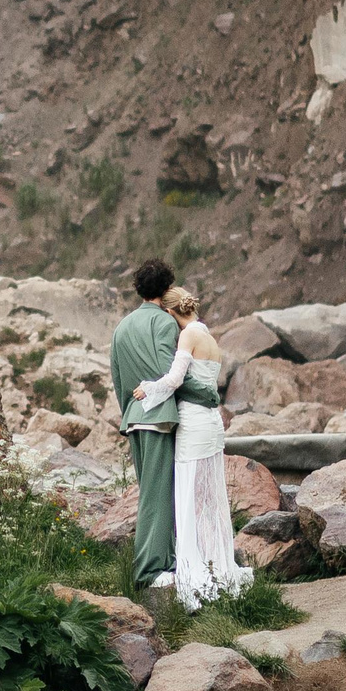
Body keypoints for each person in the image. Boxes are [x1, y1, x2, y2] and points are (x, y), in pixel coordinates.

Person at [132, 280, 254, 609]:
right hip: (212, 421)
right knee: (211, 497)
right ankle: (219, 565)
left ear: (171, 312)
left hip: (194, 424)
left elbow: (174, 379)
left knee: (189, 495)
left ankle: (195, 573)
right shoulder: (207, 334)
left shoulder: (187, 335)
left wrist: (147, 390)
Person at [109, 259, 222, 593]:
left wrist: (130, 413)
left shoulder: (121, 327)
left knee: (150, 492)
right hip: (157, 418)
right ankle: (150, 570)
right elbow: (166, 374)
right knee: (158, 496)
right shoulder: (165, 323)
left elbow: (118, 380)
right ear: (166, 288)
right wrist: (207, 393)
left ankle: (165, 560)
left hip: (133, 418)